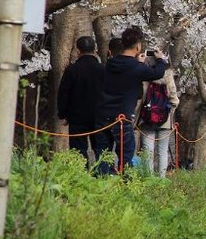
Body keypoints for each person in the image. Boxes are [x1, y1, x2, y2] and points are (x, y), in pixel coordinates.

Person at [94, 26, 168, 174]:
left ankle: (101, 186)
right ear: (138, 46)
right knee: (125, 157)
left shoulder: (110, 63)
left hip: (102, 116)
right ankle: (125, 186)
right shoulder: (137, 68)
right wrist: (161, 60)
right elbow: (157, 73)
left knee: (103, 156)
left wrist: (138, 63)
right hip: (122, 118)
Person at [56, 36, 104, 166]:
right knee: (100, 149)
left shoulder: (72, 69)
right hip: (99, 117)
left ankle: (81, 176)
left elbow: (63, 93)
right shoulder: (103, 69)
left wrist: (63, 114)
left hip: (77, 117)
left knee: (78, 150)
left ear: (78, 50)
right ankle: (103, 175)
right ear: (95, 49)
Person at [136, 52, 179, 178]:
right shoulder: (168, 76)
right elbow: (174, 99)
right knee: (163, 151)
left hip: (146, 119)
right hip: (164, 120)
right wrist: (168, 111)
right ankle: (161, 179)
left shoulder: (144, 76)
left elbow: (140, 99)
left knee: (147, 151)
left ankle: (148, 178)